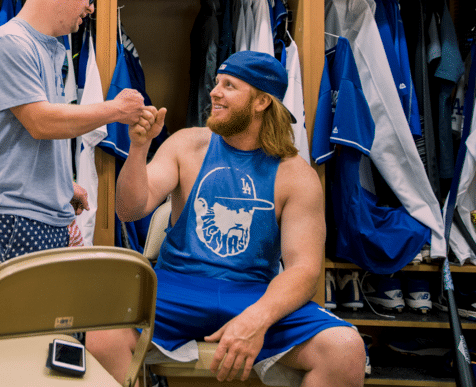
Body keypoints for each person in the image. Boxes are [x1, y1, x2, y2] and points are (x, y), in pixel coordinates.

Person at [87, 50, 366, 387]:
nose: (214, 92)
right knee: (101, 332)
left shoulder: (296, 175)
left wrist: (256, 319)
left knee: (345, 349)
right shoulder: (186, 145)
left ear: (261, 101)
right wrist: (138, 149)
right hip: (176, 288)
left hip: (254, 294)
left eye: (229, 85)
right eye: (217, 83)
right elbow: (129, 209)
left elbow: (304, 271)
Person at [0, 0, 148, 277]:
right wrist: (115, 109)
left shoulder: (47, 48)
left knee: (57, 306)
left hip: (36, 213)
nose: (91, 7)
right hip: (14, 217)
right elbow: (41, 123)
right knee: (27, 311)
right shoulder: (10, 44)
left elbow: (29, 133)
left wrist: (61, 184)